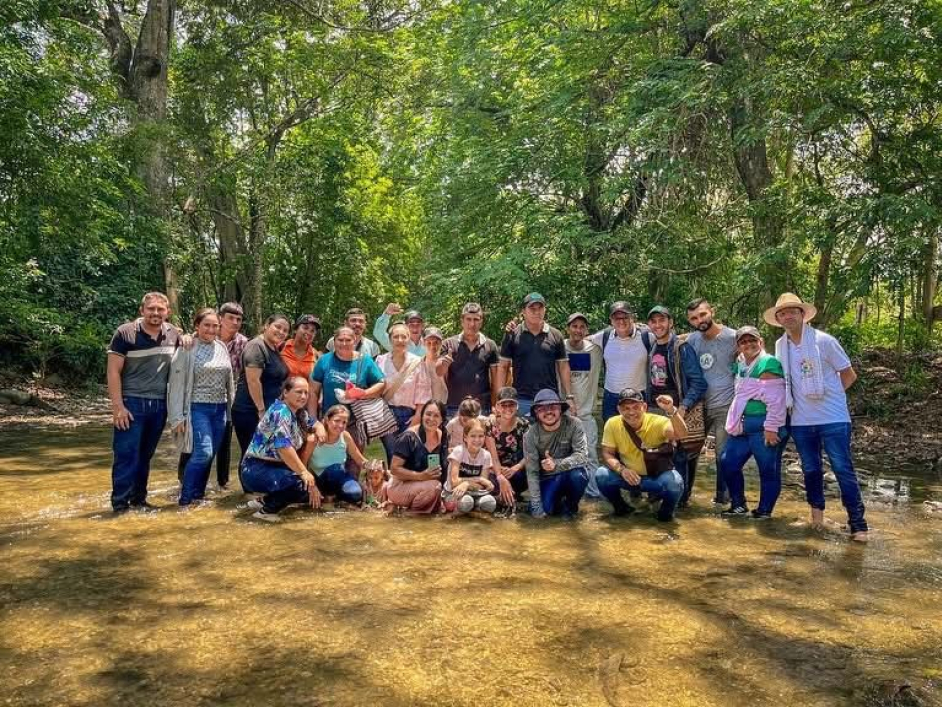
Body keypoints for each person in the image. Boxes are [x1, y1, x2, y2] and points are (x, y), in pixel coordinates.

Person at [767, 292, 869, 542]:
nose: (787, 315)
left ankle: (858, 525)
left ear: (803, 314)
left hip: (833, 419)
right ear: (778, 319)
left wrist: (829, 396)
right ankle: (817, 519)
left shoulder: (824, 341)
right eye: (782, 313)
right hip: (801, 421)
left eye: (793, 311)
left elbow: (849, 375)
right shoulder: (781, 347)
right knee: (810, 470)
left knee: (843, 469)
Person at [107, 292, 181, 512]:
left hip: (160, 405)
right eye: (151, 309)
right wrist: (118, 407)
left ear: (168, 312)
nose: (156, 313)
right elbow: (113, 371)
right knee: (126, 456)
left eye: (160, 309)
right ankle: (120, 505)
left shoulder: (173, 334)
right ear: (142, 310)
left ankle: (139, 500)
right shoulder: (125, 333)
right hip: (131, 404)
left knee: (145, 456)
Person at [719, 326, 788, 519]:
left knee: (768, 469)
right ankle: (738, 504)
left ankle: (764, 511)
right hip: (742, 425)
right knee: (728, 462)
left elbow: (776, 399)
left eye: (752, 340)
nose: (748, 344)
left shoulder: (769, 363)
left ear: (761, 342)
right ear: (738, 346)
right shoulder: (742, 365)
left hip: (765, 425)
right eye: (743, 341)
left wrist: (771, 428)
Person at [167, 308, 235, 506]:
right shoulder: (187, 348)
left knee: (211, 454)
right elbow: (176, 385)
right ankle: (185, 500)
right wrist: (177, 417)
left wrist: (230, 412)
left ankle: (199, 495)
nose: (211, 329)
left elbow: (228, 382)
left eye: (215, 326)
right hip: (197, 408)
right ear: (197, 325)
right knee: (202, 453)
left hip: (220, 409)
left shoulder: (221, 346)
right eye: (207, 325)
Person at [643, 306, 707, 507]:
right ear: (649, 325)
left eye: (662, 320)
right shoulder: (653, 347)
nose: (658, 325)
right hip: (654, 410)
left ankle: (680, 501)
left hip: (677, 409)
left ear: (670, 322)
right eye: (653, 321)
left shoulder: (681, 348)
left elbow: (699, 383)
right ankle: (658, 494)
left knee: (679, 456)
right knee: (655, 453)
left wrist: (683, 407)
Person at [594, 388, 689, 522]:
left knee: (675, 482)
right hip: (629, 478)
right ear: (619, 410)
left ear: (644, 407)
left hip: (657, 478)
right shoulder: (612, 424)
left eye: (635, 407)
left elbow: (682, 435)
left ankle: (665, 515)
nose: (631, 412)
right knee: (601, 475)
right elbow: (607, 453)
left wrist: (671, 410)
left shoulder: (659, 421)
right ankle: (622, 509)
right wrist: (622, 470)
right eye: (626, 408)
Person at [240, 377, 320, 522]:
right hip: (255, 468)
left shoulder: (298, 412)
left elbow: (313, 423)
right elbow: (283, 447)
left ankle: (263, 501)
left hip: (273, 467)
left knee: (307, 491)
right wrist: (304, 472)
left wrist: (319, 428)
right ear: (285, 392)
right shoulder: (281, 411)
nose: (303, 396)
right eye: (298, 392)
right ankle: (265, 512)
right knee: (302, 485)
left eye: (306, 393)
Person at [685, 298, 738, 504]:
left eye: (703, 314)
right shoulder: (692, 340)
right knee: (690, 451)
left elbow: (754, 356)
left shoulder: (733, 337)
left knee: (721, 455)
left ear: (712, 311)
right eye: (694, 318)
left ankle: (722, 500)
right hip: (697, 406)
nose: (700, 320)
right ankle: (684, 497)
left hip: (725, 404)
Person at [496, 292, 573, 416]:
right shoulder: (512, 334)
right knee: (521, 434)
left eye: (540, 308)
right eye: (532, 308)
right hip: (521, 399)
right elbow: (503, 367)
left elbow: (563, 367)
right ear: (523, 311)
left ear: (545, 310)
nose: (537, 312)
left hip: (549, 399)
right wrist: (499, 399)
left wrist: (569, 396)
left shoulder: (555, 334)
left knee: (549, 434)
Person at [231, 314, 290, 462]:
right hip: (250, 411)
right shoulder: (257, 346)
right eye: (278, 327)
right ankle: (247, 485)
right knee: (251, 455)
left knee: (264, 455)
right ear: (266, 326)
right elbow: (253, 381)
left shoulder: (274, 349)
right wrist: (261, 411)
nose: (281, 332)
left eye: (285, 330)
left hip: (267, 411)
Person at [524, 389, 590, 518]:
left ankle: (571, 506)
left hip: (570, 473)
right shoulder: (530, 435)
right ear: (536, 413)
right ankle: (554, 503)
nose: (548, 411)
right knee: (542, 511)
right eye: (542, 409)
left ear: (560, 409)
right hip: (548, 478)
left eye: (553, 407)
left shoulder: (574, 424)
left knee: (579, 475)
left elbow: (583, 456)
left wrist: (557, 464)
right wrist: (537, 507)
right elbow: (532, 472)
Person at [562, 312, 603, 498]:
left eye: (582, 327)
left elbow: (617, 332)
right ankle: (566, 495)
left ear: (586, 330)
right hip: (562, 414)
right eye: (574, 326)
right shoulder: (558, 347)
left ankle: (594, 495)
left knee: (591, 456)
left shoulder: (595, 348)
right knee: (564, 456)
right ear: (568, 328)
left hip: (586, 414)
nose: (578, 330)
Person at [376, 323, 431, 462]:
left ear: (408, 340)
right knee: (392, 454)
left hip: (409, 416)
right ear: (390, 339)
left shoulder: (418, 362)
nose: (400, 340)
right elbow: (374, 388)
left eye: (404, 337)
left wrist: (417, 418)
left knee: (409, 455)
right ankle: (394, 483)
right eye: (396, 337)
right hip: (385, 415)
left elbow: (423, 393)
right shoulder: (380, 361)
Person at [587, 302, 649, 423]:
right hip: (611, 397)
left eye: (625, 317)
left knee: (639, 436)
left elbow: (668, 339)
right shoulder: (604, 336)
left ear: (632, 317)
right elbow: (584, 341)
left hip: (637, 396)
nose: (621, 321)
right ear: (611, 320)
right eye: (616, 318)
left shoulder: (646, 336)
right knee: (612, 434)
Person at [309, 326, 386, 419]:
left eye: (348, 340)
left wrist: (364, 394)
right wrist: (313, 420)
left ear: (354, 341)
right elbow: (313, 391)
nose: (344, 343)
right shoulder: (324, 360)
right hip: (330, 420)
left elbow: (381, 383)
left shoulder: (365, 361)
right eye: (340, 340)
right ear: (334, 341)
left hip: (358, 422)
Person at [437, 302, 499, 417]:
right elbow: (439, 372)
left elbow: (495, 381)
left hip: (482, 408)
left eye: (476, 319)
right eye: (468, 319)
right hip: (454, 408)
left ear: (481, 321)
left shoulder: (490, 345)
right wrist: (444, 364)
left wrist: (495, 406)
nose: (472, 324)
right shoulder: (448, 344)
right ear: (462, 321)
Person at [387, 399, 449, 514]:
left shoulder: (442, 435)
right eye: (428, 414)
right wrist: (421, 476)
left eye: (436, 416)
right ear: (422, 415)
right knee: (434, 486)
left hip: (425, 485)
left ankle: (423, 511)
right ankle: (411, 515)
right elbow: (394, 469)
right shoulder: (408, 437)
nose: (431, 419)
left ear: (441, 420)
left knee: (448, 500)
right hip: (399, 486)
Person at [307, 405, 367, 505]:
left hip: (340, 477)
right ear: (327, 420)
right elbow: (303, 465)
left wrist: (377, 467)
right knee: (334, 470)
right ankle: (327, 497)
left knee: (356, 493)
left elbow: (360, 460)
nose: (340, 425)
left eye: (344, 422)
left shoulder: (345, 436)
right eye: (337, 420)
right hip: (320, 480)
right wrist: (312, 486)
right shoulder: (313, 439)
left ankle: (337, 500)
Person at [484, 387, 530, 503]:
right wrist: (500, 476)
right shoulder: (490, 425)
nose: (507, 409)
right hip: (494, 470)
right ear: (497, 407)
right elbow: (493, 458)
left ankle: (512, 494)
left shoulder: (524, 425)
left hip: (514, 470)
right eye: (503, 405)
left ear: (517, 406)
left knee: (522, 477)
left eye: (511, 405)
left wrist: (515, 468)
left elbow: (530, 454)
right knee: (492, 482)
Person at [445, 419, 497, 514]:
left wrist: (467, 483)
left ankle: (477, 517)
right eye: (473, 436)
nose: (477, 440)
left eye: (481, 436)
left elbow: (482, 486)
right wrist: (478, 480)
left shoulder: (486, 455)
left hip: (476, 493)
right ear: (465, 437)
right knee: (466, 502)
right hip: (455, 493)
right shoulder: (458, 452)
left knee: (490, 503)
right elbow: (454, 482)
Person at [281, 314, 321, 378]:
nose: (308, 332)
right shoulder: (280, 347)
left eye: (312, 331)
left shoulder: (316, 356)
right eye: (305, 328)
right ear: (296, 329)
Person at [421, 327, 449, 405]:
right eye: (428, 343)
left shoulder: (446, 363)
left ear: (441, 343)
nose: (432, 346)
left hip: (443, 407)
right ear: (423, 343)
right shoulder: (418, 364)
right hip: (423, 408)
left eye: (436, 342)